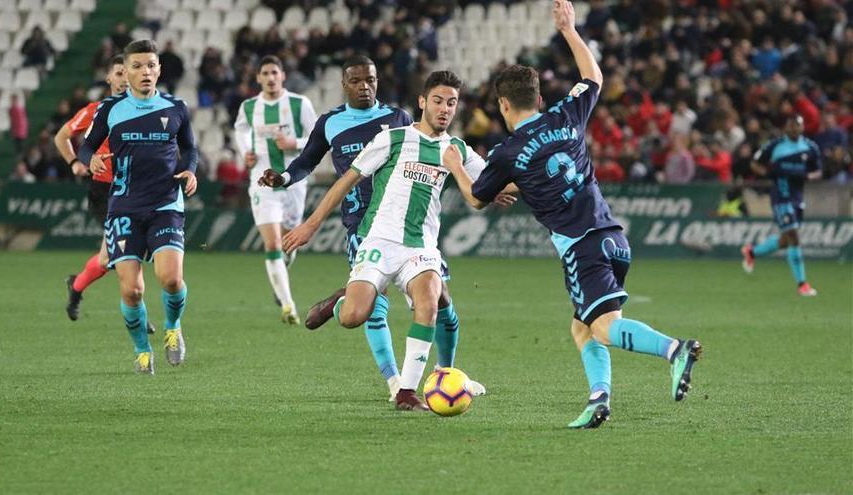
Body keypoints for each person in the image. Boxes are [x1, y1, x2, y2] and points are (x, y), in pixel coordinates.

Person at [442, 1, 702, 429]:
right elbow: (593, 77)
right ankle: (599, 399)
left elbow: (475, 198)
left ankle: (675, 349)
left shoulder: (506, 153)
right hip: (614, 239)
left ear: (503, 105)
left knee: (601, 329)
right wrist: (568, 30)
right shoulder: (566, 115)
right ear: (540, 98)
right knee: (582, 328)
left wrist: (455, 163)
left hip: (581, 248)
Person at [259, 56, 481, 402]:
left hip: (412, 230)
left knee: (439, 301)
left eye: (371, 80)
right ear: (344, 84)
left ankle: (431, 379)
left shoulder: (398, 121)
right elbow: (309, 161)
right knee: (362, 313)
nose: (365, 86)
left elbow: (451, 167)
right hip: (364, 224)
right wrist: (286, 181)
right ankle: (393, 376)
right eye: (357, 80)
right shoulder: (332, 122)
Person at [77, 40, 198, 375]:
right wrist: (92, 159)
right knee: (132, 290)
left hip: (166, 204)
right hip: (124, 206)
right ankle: (143, 350)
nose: (145, 72)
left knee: (171, 279)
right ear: (125, 72)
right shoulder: (110, 109)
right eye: (137, 66)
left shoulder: (176, 107)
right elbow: (85, 149)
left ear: (159, 69)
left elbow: (190, 149)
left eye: (151, 65)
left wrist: (190, 170)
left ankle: (173, 328)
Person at [57, 55, 153, 331]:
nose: (124, 79)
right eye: (119, 73)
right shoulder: (96, 111)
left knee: (107, 258)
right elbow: (61, 136)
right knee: (128, 250)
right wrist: (76, 162)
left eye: (128, 73)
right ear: (109, 78)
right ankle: (140, 313)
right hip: (105, 190)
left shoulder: (143, 110)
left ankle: (75, 286)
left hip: (135, 188)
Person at [233, 55, 317, 324]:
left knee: (289, 244)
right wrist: (246, 152)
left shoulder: (299, 103)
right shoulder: (248, 107)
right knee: (272, 243)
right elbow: (241, 131)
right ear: (258, 78)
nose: (270, 78)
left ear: (282, 75)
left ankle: (281, 272)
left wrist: (295, 142)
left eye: (274, 72)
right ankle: (288, 305)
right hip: (262, 181)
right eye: (265, 73)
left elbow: (317, 139)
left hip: (293, 181)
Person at [741, 114, 822, 296]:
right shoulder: (775, 145)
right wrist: (768, 174)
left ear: (802, 128)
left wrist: (810, 176)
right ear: (786, 128)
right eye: (791, 126)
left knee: (785, 240)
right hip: (780, 195)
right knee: (793, 235)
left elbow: (818, 171)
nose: (794, 129)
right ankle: (802, 284)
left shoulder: (810, 147)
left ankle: (752, 252)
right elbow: (755, 163)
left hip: (797, 197)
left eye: (798, 126)